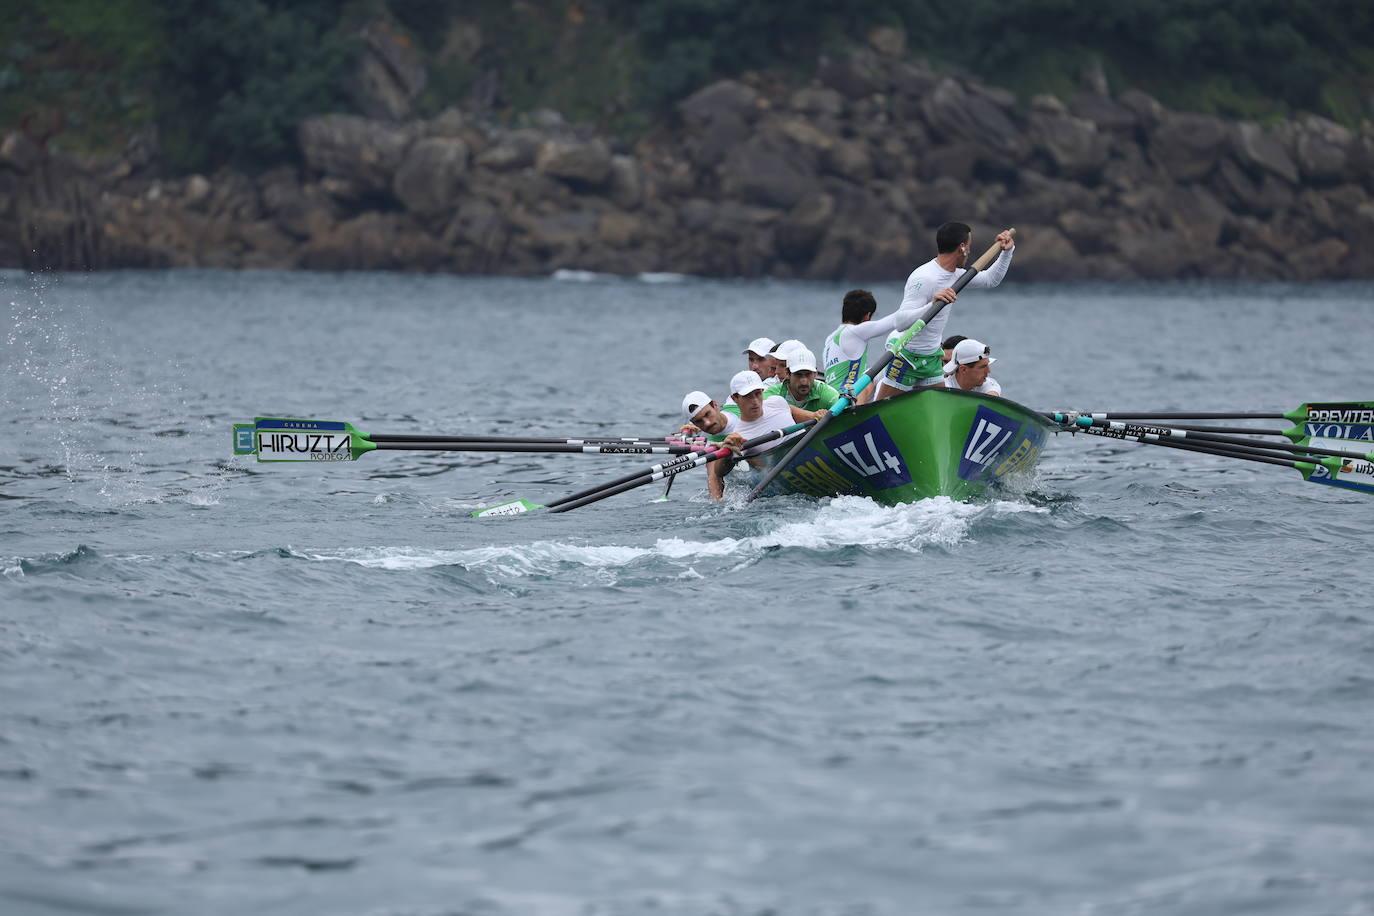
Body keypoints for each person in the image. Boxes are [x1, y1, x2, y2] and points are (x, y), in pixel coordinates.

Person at [874, 222, 1015, 400]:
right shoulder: (924, 277)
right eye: (969, 246)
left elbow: (990, 280)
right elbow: (900, 322)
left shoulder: (956, 275)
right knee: (877, 409)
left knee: (942, 406)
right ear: (962, 247)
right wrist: (932, 304)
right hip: (908, 359)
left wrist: (1007, 252)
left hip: (932, 358)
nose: (970, 252)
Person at [708, 370, 825, 499]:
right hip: (789, 479)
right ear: (735, 398)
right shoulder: (740, 436)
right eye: (748, 396)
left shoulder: (777, 402)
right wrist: (728, 451)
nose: (755, 401)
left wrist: (815, 415)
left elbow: (795, 412)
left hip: (813, 458)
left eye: (758, 394)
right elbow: (719, 473)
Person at [822, 289, 921, 405]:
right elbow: (897, 320)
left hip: (831, 401)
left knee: (872, 371)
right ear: (867, 316)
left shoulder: (830, 339)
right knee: (878, 373)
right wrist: (929, 303)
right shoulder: (854, 332)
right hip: (845, 403)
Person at [764, 347, 840, 411]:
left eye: (808, 374)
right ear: (787, 373)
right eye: (798, 375)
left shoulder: (828, 394)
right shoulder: (772, 393)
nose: (804, 381)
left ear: (815, 373)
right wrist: (813, 416)